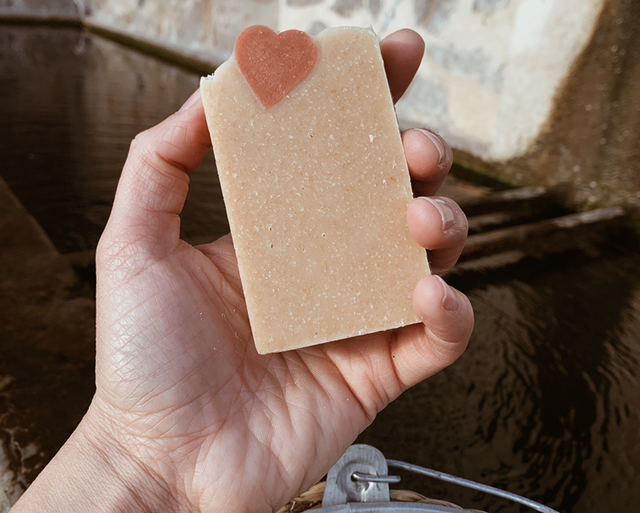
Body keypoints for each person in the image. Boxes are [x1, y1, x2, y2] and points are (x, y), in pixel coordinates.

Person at [13, 29, 474, 513]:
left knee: (418, 208)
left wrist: (144, 466)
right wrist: (141, 455)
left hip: (293, 390)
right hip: (257, 389)